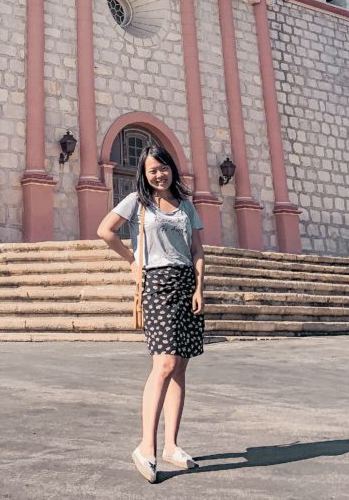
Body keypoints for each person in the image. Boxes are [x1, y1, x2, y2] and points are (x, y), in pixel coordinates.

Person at [97, 144, 205, 483]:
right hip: (157, 282)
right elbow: (105, 230)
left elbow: (197, 249)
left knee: (180, 368)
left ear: (172, 168)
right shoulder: (137, 203)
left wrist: (200, 286)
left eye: (163, 168)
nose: (159, 175)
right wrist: (132, 261)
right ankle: (146, 446)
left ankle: (172, 445)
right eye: (152, 171)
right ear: (144, 176)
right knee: (164, 363)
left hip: (186, 281)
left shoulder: (187, 206)